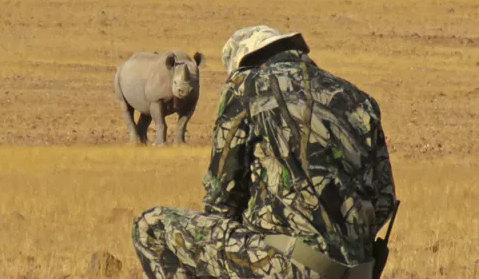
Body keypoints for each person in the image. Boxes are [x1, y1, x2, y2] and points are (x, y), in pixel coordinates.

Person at [131, 25, 398, 279]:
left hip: (284, 267)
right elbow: (384, 202)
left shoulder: (247, 86)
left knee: (150, 226)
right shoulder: (360, 99)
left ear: (245, 64)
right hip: (357, 273)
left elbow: (221, 200)